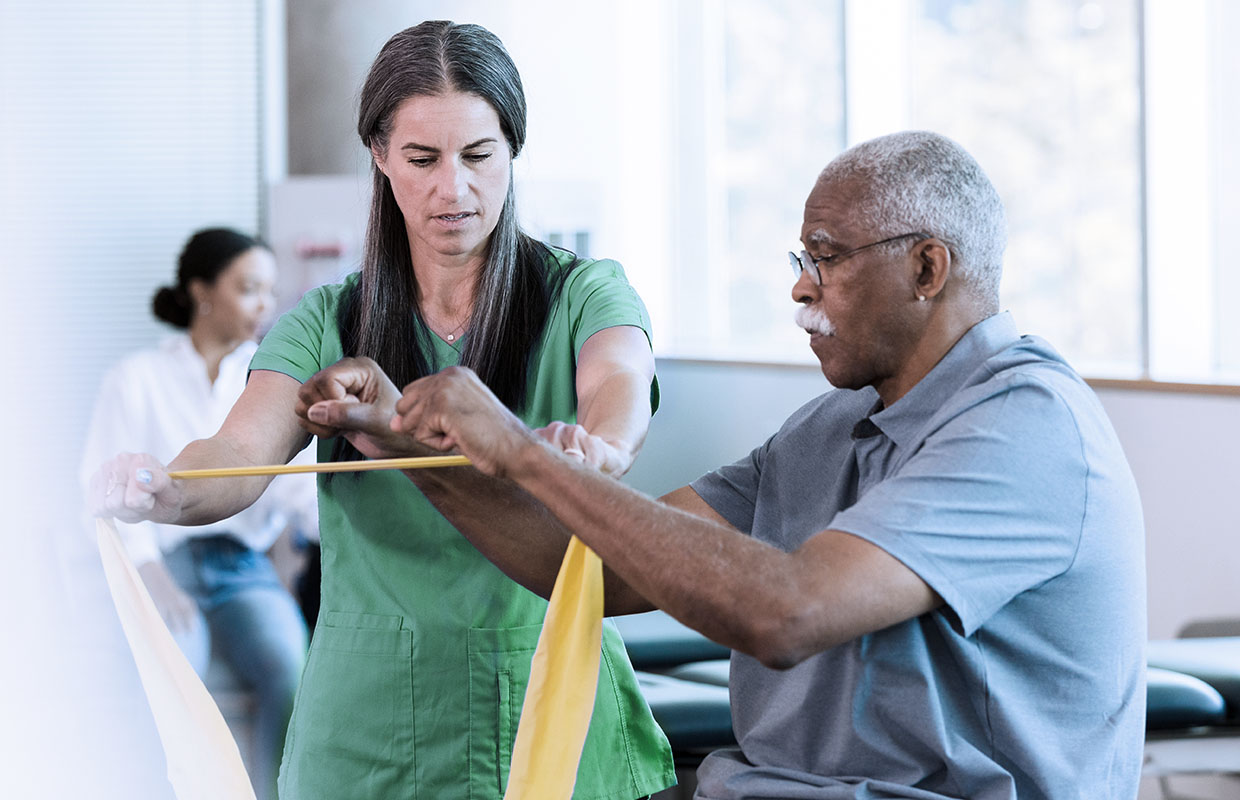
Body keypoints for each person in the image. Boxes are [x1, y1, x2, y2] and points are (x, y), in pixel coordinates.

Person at [295, 131, 1147, 800]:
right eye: (799, 262)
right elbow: (585, 568)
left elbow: (786, 612)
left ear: (927, 266)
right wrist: (406, 445)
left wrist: (519, 450)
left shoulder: (1028, 424)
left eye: (827, 258)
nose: (801, 290)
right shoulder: (831, 426)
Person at [89, 20, 675, 800]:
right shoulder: (325, 320)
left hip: (550, 700)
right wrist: (165, 489)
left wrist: (602, 446)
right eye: (422, 160)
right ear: (379, 154)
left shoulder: (584, 292)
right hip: (368, 729)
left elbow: (619, 381)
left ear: (513, 149)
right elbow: (235, 453)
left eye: (478, 156)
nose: (452, 190)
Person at [80, 227, 315, 800]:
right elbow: (98, 493)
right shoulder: (135, 379)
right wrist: (155, 581)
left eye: (269, 291)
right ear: (203, 292)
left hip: (244, 570)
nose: (265, 305)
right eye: (249, 288)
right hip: (165, 566)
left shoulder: (265, 383)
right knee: (175, 678)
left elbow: (292, 496)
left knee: (291, 666)